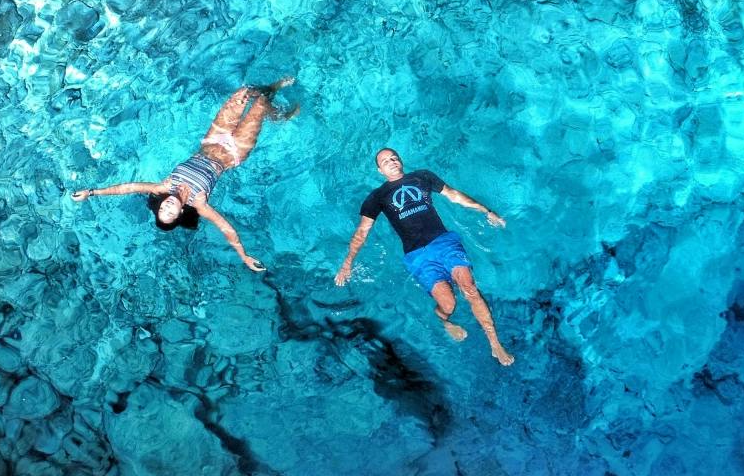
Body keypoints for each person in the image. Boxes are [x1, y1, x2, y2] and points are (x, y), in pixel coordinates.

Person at [69, 79, 295, 272]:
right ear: (179, 213)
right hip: (234, 152)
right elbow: (226, 228)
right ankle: (276, 113)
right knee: (261, 103)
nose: (167, 207)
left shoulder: (164, 187)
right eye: (170, 213)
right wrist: (243, 256)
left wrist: (92, 192)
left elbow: (128, 187)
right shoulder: (199, 203)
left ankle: (272, 98)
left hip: (213, 139)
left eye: (162, 209)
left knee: (243, 93)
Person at [333, 148, 513, 366]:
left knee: (469, 288)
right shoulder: (377, 197)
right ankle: (444, 320)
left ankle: (494, 343)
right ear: (379, 170)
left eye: (394, 157)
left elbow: (454, 195)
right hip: (417, 255)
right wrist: (347, 263)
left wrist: (486, 211)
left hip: (443, 242)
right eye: (385, 161)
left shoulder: (422, 177)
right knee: (449, 305)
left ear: (401, 161)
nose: (391, 161)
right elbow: (362, 232)